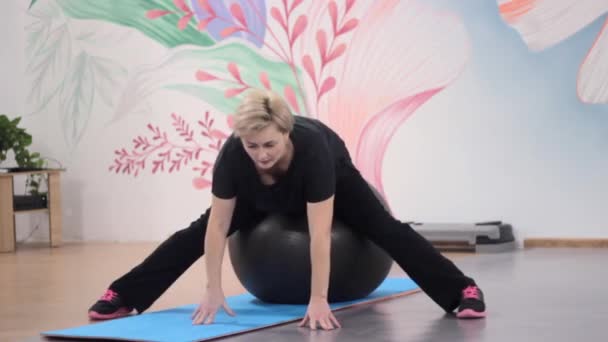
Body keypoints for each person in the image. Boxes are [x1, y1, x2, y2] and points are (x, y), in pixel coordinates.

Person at [88, 88, 486, 330]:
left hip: (334, 183)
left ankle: (461, 292)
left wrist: (318, 298)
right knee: (192, 232)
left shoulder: (312, 151)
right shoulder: (234, 156)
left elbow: (318, 235)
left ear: (285, 132)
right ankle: (124, 295)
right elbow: (216, 227)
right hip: (261, 196)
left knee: (387, 229)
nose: (260, 154)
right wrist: (212, 288)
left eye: (269, 145)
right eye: (252, 146)